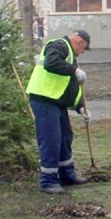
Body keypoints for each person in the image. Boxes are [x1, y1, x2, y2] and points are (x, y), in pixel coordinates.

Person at [25, 29, 92, 194]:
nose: (82, 53)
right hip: (43, 100)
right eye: (83, 49)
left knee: (65, 137)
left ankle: (67, 175)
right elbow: (51, 63)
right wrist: (74, 71)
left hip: (56, 102)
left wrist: (80, 107)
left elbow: (71, 87)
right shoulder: (58, 46)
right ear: (79, 42)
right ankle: (48, 181)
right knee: (51, 139)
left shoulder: (69, 56)